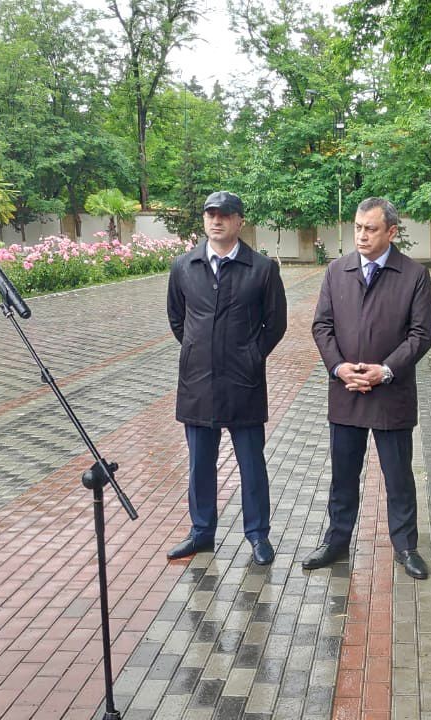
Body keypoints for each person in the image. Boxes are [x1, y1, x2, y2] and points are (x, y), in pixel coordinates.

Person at [304, 197, 431, 580]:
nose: (361, 236)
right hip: (346, 392)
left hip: (391, 394)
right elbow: (322, 326)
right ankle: (336, 541)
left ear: (391, 232)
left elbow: (421, 334)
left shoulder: (413, 275)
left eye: (371, 229)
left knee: (398, 477)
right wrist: (339, 367)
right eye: (358, 228)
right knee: (343, 475)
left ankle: (406, 546)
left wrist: (386, 370)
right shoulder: (337, 270)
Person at [165, 191, 287, 565]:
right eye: (210, 214)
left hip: (243, 383)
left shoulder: (262, 268)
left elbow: (276, 323)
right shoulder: (184, 266)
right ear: (204, 220)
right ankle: (201, 532)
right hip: (197, 384)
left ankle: (257, 534)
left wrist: (250, 355)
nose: (216, 221)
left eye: (224, 215)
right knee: (200, 463)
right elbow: (176, 319)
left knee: (251, 463)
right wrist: (197, 350)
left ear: (239, 221)